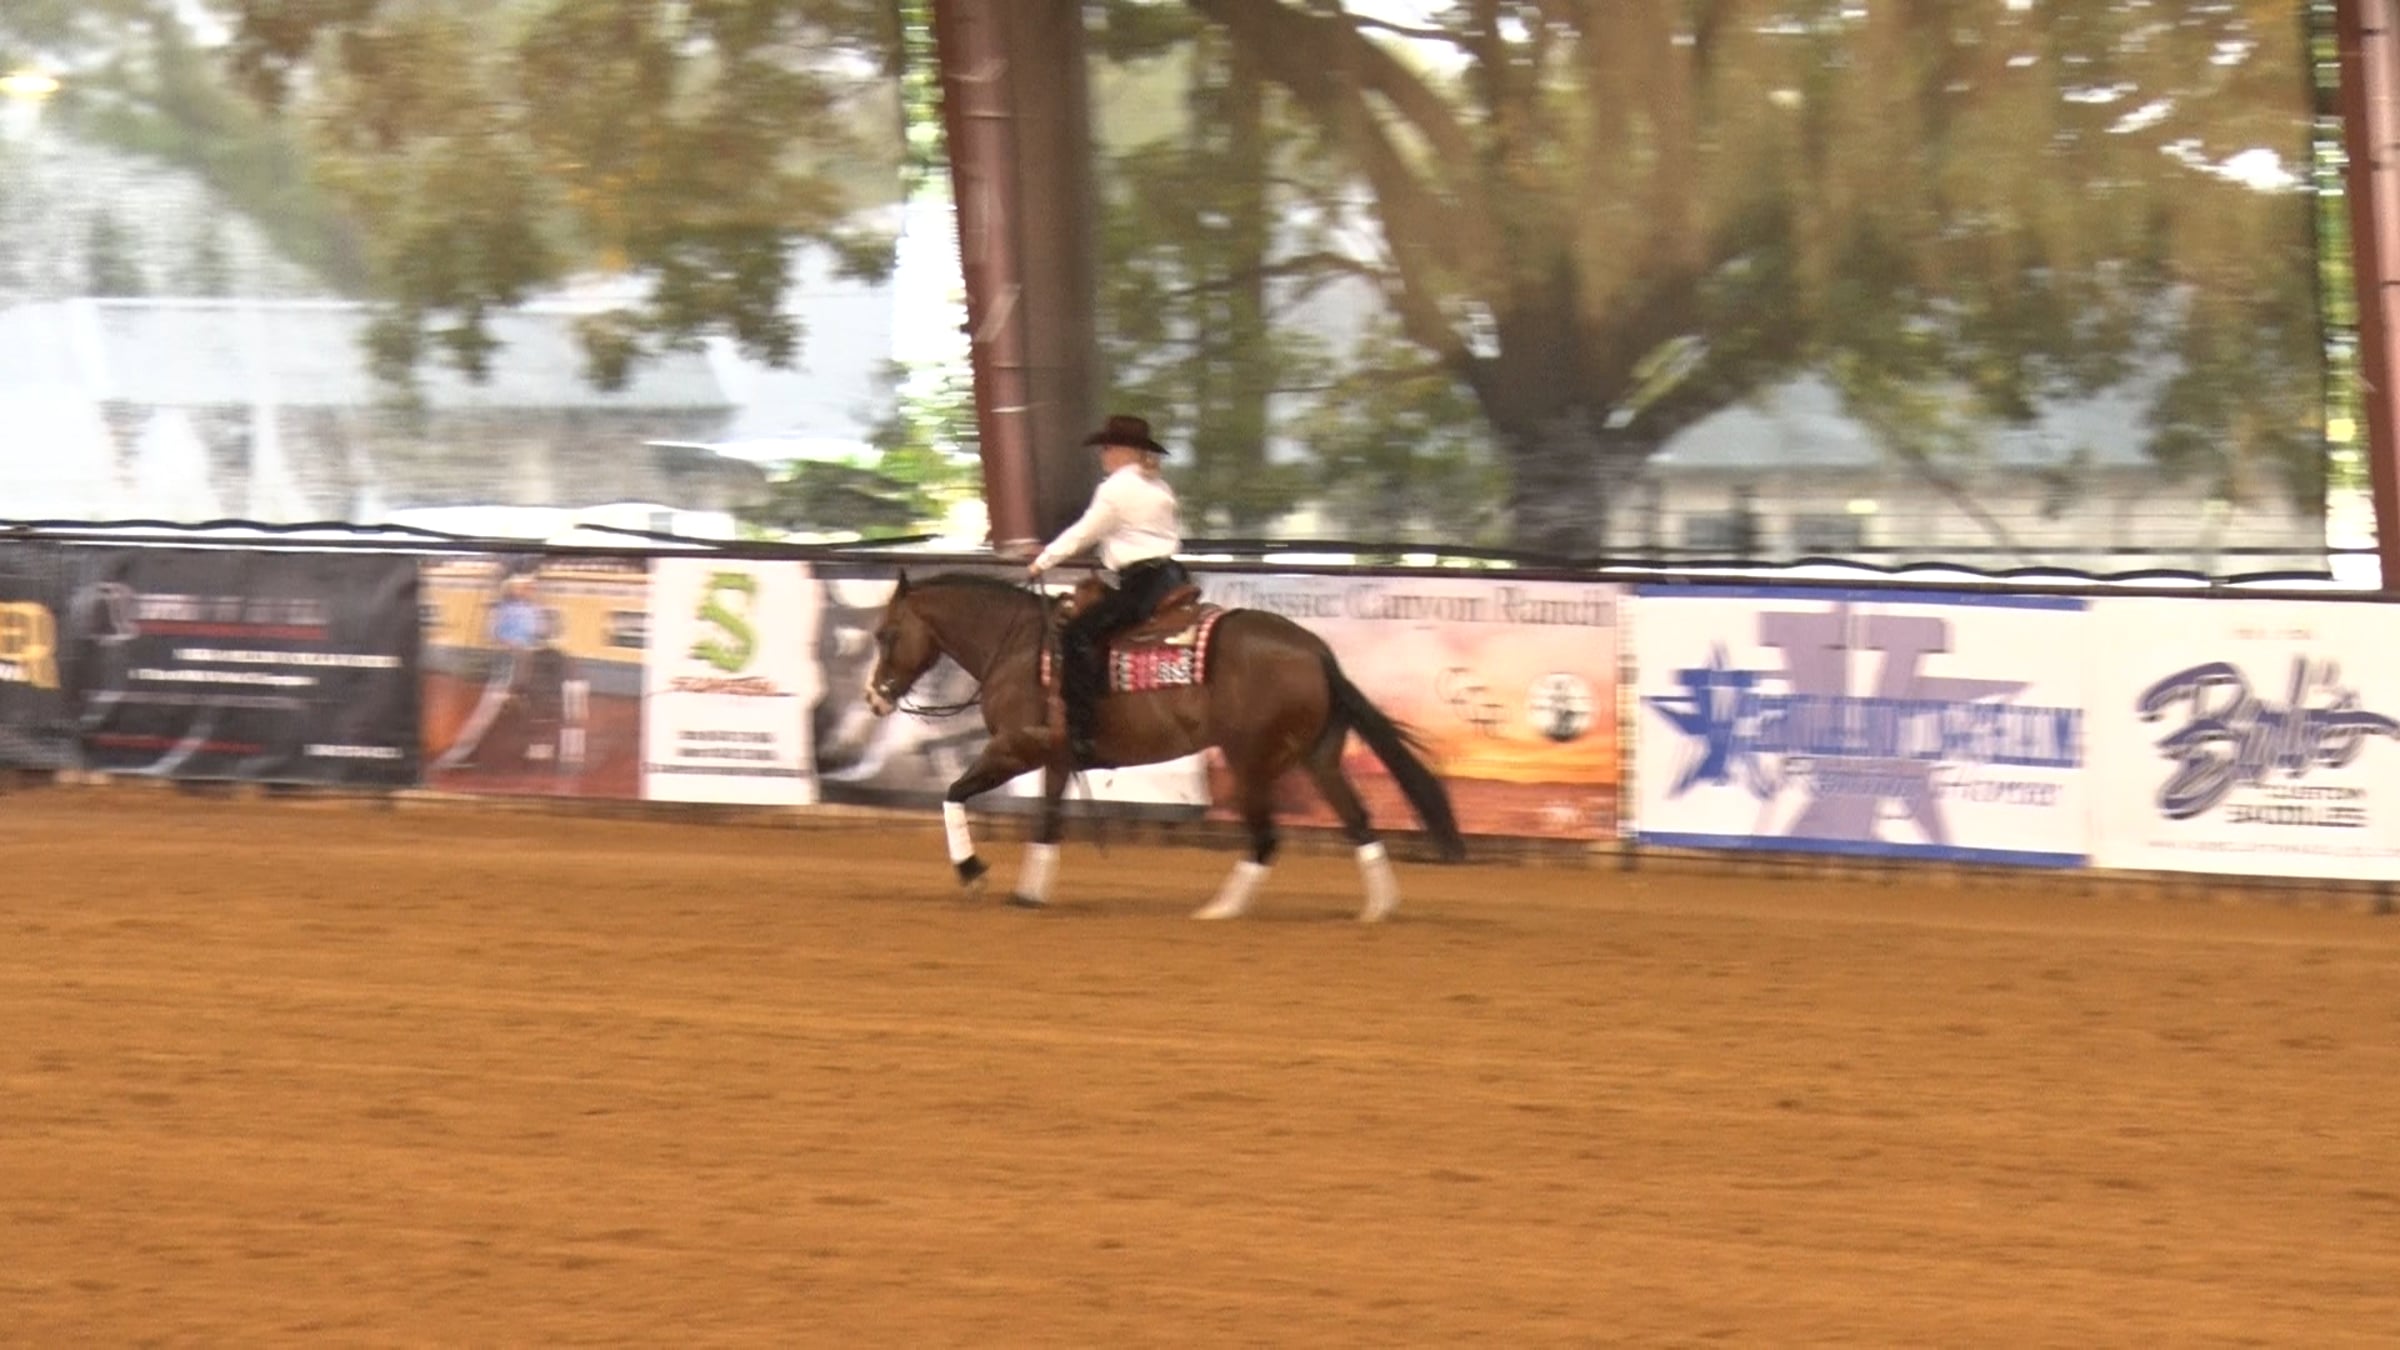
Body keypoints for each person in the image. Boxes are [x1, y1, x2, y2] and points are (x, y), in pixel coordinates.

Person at [1027, 413, 1189, 767]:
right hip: (1172, 576)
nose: (1103, 454)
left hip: (1143, 582)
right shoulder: (1158, 485)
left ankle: (1083, 735)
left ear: (1123, 450)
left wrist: (1042, 562)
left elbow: (1084, 532)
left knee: (1077, 635)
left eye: (1107, 447)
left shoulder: (1116, 488)